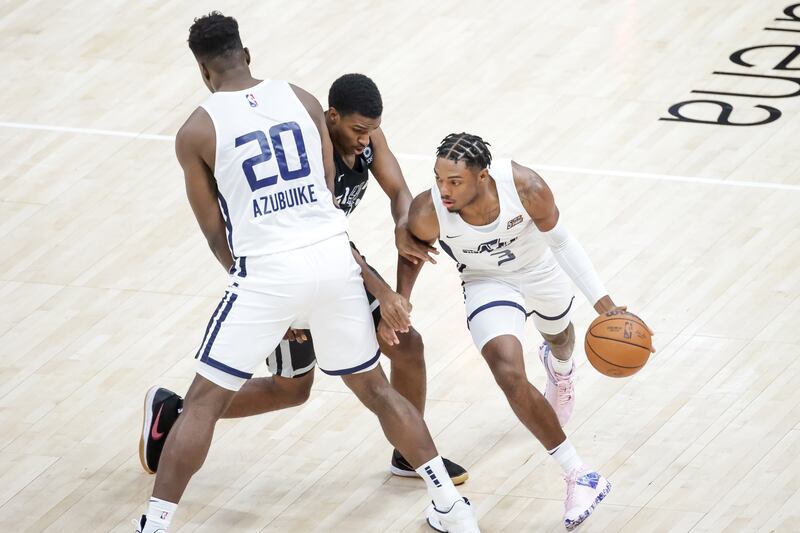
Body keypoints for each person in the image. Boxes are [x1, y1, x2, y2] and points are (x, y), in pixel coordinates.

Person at [134, 14, 479, 533]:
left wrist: (275, 302)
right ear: (246, 54)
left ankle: (154, 525)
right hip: (334, 261)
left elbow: (214, 234)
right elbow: (321, 199)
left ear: (203, 72)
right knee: (376, 390)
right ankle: (450, 508)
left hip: (269, 272)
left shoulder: (196, 131)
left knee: (203, 403)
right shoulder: (302, 99)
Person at [398, 132, 654, 530]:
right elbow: (412, 250)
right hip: (487, 281)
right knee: (508, 372)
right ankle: (579, 475)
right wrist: (402, 301)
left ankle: (561, 369)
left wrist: (603, 303)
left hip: (539, 269)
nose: (443, 189)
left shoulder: (524, 186)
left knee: (561, 339)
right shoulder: (429, 209)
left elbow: (562, 241)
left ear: (483, 177)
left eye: (454, 181)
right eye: (438, 178)